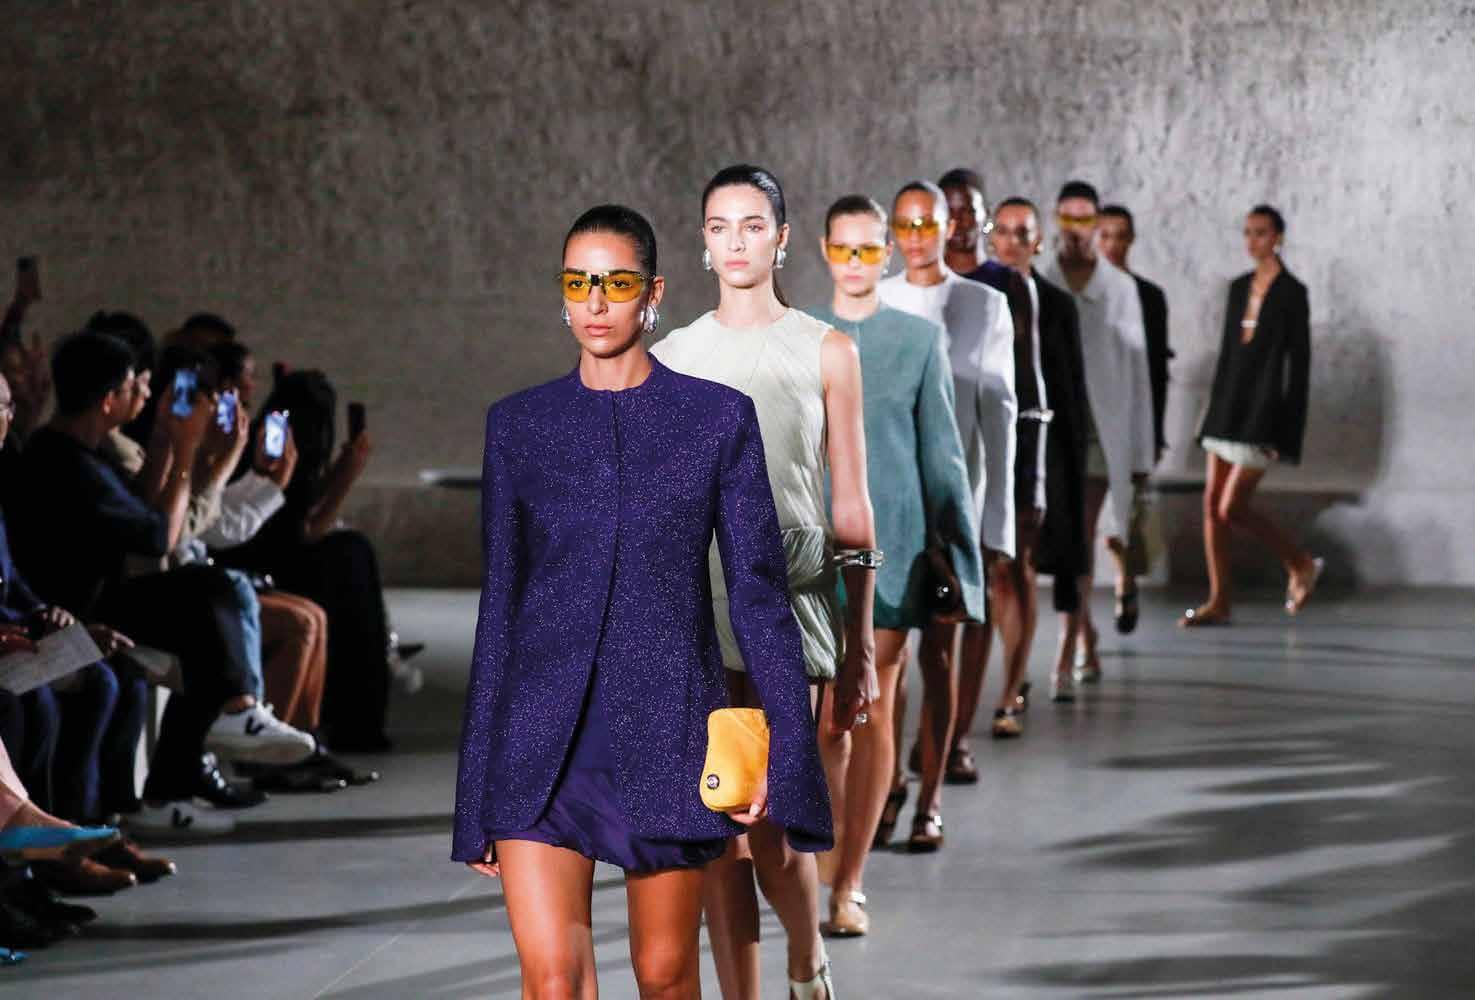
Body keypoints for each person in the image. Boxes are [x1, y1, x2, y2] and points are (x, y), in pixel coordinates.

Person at [453, 204, 834, 999]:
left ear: (652, 294)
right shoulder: (519, 426)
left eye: (616, 283)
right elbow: (500, 611)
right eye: (578, 283)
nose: (595, 302)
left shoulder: (714, 419)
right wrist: (474, 794)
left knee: (664, 976)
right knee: (552, 983)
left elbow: (759, 599)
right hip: (539, 740)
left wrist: (788, 756)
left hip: (667, 730)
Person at [652, 165, 875, 1000]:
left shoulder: (827, 350)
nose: (735, 242)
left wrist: (859, 645)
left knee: (776, 824)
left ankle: (806, 956)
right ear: (703, 241)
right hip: (698, 606)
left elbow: (850, 505)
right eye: (719, 226)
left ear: (781, 239)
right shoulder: (672, 357)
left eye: (752, 225)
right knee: (717, 822)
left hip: (792, 601)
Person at [10, 332, 313, 838]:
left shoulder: (83, 451)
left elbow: (141, 510)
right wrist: (187, 448)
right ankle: (230, 714)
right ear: (108, 399)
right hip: (73, 607)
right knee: (206, 596)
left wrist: (163, 444)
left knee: (209, 601)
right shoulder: (64, 461)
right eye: (136, 386)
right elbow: (156, 537)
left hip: (96, 599)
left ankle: (211, 735)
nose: (147, 395)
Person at [806, 194, 983, 936]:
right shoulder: (799, 336)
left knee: (872, 704)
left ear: (884, 253)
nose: (855, 262)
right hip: (809, 547)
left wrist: (962, 565)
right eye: (842, 248)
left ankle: (848, 884)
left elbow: (942, 455)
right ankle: (823, 861)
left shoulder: (916, 341)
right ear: (824, 251)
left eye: (867, 248)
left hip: (897, 544)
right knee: (823, 722)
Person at [877, 180, 1014, 847]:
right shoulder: (875, 301)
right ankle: (887, 785)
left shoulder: (985, 305)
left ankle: (928, 798)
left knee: (937, 652)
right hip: (888, 508)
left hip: (952, 510)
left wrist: (998, 523)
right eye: (903, 224)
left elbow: (1001, 415)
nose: (916, 236)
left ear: (946, 226)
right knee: (887, 660)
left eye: (926, 222)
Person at [940, 168, 1052, 747]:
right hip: (940, 458)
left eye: (969, 209)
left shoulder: (1008, 284)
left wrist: (1032, 476)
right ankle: (946, 729)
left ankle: (1003, 694)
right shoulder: (920, 287)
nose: (960, 220)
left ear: (982, 217)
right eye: (951, 209)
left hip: (1002, 450)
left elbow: (1026, 386)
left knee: (1003, 572)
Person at [1040, 181, 1154, 698]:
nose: (1076, 230)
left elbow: (1138, 371)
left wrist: (1141, 452)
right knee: (1064, 539)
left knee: (1081, 533)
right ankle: (1084, 632)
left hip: (1101, 431)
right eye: (1067, 219)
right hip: (1050, 426)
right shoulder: (1039, 280)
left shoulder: (1121, 288)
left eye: (1085, 219)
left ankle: (1069, 648)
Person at [1183, 204, 1320, 626]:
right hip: (1228, 407)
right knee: (1212, 506)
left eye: (1260, 232)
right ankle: (1219, 600)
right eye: (1247, 232)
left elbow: (1299, 365)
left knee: (1233, 508)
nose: (1252, 240)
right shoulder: (1238, 287)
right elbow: (1228, 354)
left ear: (1278, 237)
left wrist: (1287, 434)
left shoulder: (1293, 292)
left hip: (1263, 413)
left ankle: (1299, 563)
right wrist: (1212, 413)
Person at [1099, 203, 1173, 483]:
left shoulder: (1150, 297)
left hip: (1133, 415)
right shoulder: (1077, 295)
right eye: (1105, 235)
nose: (1112, 245)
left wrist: (1156, 435)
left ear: (1130, 239)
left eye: (1120, 236)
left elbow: (1157, 370)